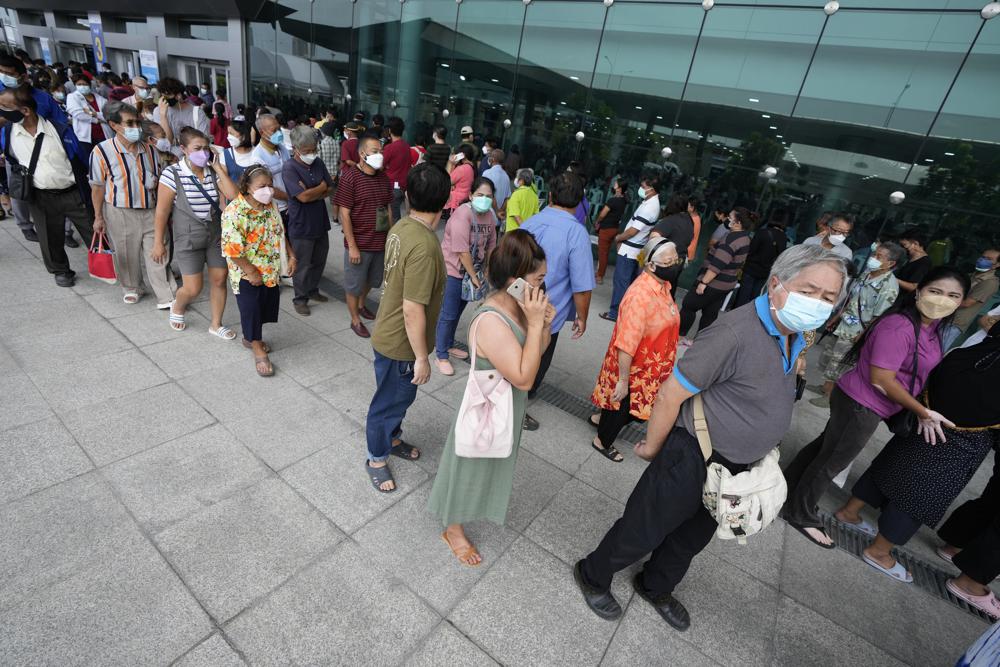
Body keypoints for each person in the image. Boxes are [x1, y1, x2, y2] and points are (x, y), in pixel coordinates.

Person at [574, 244, 848, 628]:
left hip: (737, 467)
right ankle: (593, 573)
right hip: (692, 453)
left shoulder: (797, 333)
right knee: (645, 526)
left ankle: (655, 585)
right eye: (808, 290)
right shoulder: (734, 333)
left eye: (828, 297)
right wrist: (653, 447)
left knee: (692, 537)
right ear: (776, 284)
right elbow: (671, 393)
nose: (818, 303)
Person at [783, 266, 971, 548]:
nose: (942, 299)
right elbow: (881, 379)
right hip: (861, 403)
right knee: (833, 460)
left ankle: (787, 488)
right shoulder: (899, 326)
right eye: (935, 291)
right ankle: (800, 513)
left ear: (962, 301)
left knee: (826, 447)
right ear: (918, 292)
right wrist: (922, 412)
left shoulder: (934, 328)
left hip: (869, 403)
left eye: (953, 295)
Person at [829, 321, 999, 586]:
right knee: (922, 494)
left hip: (930, 413)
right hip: (964, 437)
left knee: (892, 463)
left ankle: (849, 511)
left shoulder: (978, 350)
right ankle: (879, 551)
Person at [427, 230, 552, 565]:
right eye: (538, 279)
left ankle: (463, 515)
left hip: (504, 403)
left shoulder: (520, 308)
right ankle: (452, 529)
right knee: (468, 464)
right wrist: (536, 326)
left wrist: (541, 327)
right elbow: (525, 378)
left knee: (489, 462)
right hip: (487, 406)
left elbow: (534, 354)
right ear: (515, 281)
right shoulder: (492, 320)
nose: (542, 287)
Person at [364, 163, 450, 493]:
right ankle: (376, 457)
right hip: (401, 342)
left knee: (398, 398)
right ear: (445, 202)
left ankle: (392, 437)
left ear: (409, 196)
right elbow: (413, 308)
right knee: (389, 402)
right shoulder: (425, 247)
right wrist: (422, 357)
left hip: (391, 332)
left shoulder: (402, 226)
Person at [590, 238, 681, 463]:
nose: (674, 265)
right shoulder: (640, 296)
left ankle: (600, 419)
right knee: (624, 405)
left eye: (676, 260)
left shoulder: (662, 285)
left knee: (626, 406)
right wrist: (623, 380)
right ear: (651, 265)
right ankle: (602, 440)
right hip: (634, 368)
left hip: (651, 366)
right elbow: (626, 343)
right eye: (668, 262)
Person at [520, 171, 595, 430]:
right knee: (536, 363)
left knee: (513, 353)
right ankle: (517, 408)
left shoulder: (531, 222)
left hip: (517, 304)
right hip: (546, 316)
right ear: (580, 201)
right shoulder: (577, 233)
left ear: (550, 195)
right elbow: (582, 286)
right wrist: (582, 317)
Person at [150, 126, 238, 338]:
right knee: (193, 288)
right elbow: (162, 211)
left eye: (206, 148)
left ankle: (216, 324)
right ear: (183, 149)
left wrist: (218, 168)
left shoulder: (213, 170)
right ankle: (178, 306)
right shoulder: (172, 173)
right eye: (197, 148)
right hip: (187, 237)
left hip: (215, 235)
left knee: (220, 279)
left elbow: (233, 195)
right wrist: (158, 242)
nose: (203, 153)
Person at [0, 85, 93, 287]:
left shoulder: (60, 130)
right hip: (40, 195)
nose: (1, 112)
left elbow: (81, 160)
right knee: (49, 237)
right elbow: (11, 159)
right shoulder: (7, 133)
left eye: (4, 107)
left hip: (73, 193)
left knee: (92, 231)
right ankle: (61, 271)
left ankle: (106, 264)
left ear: (25, 110)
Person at [90, 101, 176, 306]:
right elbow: (97, 187)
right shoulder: (101, 151)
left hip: (151, 210)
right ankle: (132, 287)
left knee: (158, 250)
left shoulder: (150, 150)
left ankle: (166, 294)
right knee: (126, 252)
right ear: (114, 125)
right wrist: (98, 216)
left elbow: (159, 180)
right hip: (120, 211)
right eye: (129, 123)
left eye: (137, 122)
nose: (136, 127)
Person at [221, 165, 296, 375]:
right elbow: (232, 249)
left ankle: (250, 337)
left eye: (270, 185)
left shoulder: (270, 206)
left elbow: (280, 232)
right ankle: (257, 346)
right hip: (247, 272)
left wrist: (291, 255)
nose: (268, 190)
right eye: (262, 186)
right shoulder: (235, 212)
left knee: (263, 308)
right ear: (247, 186)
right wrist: (251, 272)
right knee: (251, 308)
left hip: (270, 268)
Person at [809, 242, 903, 407]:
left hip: (857, 330)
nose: (873, 258)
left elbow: (879, 316)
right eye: (874, 254)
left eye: (879, 256)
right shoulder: (867, 274)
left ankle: (830, 396)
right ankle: (824, 387)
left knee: (840, 363)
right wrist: (837, 317)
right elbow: (853, 299)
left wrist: (863, 335)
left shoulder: (889, 286)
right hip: (844, 324)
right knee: (829, 355)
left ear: (891, 263)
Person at [434, 177, 499, 375]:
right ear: (470, 195)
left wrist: (487, 269)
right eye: (480, 195)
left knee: (458, 310)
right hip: (454, 271)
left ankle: (448, 344)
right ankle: (441, 355)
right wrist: (474, 277)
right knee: (448, 313)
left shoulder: (490, 216)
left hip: (473, 272)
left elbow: (491, 244)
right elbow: (462, 251)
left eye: (489, 196)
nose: (484, 199)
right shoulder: (463, 215)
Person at [333, 134, 393, 338]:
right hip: (359, 243)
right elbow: (344, 213)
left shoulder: (383, 178)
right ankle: (355, 320)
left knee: (373, 280)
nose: (380, 155)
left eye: (381, 151)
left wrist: (391, 236)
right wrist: (352, 246)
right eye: (375, 151)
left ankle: (361, 304)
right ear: (361, 153)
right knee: (354, 284)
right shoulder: (350, 177)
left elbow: (388, 207)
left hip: (380, 242)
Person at [677, 207, 752, 344]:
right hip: (726, 284)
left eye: (730, 218)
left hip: (713, 283)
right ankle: (700, 343)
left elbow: (717, 265)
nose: (727, 219)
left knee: (689, 305)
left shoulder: (731, 239)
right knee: (710, 313)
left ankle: (679, 337)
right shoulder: (745, 238)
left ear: (738, 223)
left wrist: (703, 283)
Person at [282, 125, 335, 316]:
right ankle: (300, 298)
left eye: (314, 149)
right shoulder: (289, 168)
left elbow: (330, 187)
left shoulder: (318, 162)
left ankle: (313, 290)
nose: (311, 154)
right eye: (307, 151)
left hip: (320, 220)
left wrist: (312, 191)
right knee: (303, 263)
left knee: (319, 259)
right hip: (301, 222)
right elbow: (302, 198)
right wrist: (319, 188)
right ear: (295, 149)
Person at [601, 174, 661, 321]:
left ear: (652, 189)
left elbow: (633, 231)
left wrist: (618, 238)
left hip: (631, 249)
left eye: (643, 187)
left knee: (622, 281)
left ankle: (615, 313)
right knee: (628, 282)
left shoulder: (650, 207)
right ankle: (625, 312)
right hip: (636, 248)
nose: (641, 189)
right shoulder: (649, 203)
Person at [731, 208, 790, 308]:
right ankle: (749, 313)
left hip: (751, 269)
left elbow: (751, 250)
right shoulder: (783, 237)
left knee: (743, 294)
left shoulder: (762, 232)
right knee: (755, 295)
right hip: (765, 272)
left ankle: (738, 311)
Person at [943, 248, 999, 349]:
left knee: (934, 350)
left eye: (989, 259)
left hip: (955, 322)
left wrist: (941, 301)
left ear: (997, 264)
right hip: (945, 316)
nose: (983, 260)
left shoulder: (990, 282)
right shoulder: (972, 275)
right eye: (983, 257)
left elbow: (967, 303)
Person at [647, 194, 694, 298]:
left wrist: (645, 258)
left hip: (664, 262)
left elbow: (654, 237)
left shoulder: (671, 220)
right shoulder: (689, 220)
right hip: (679, 261)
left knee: (653, 291)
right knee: (669, 290)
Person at [152, 77, 209, 156]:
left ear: (178, 95)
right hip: (170, 159)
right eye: (162, 94)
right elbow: (167, 143)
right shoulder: (158, 111)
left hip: (193, 158)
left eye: (167, 95)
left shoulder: (197, 112)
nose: (163, 98)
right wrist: (163, 116)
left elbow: (204, 140)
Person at [250, 114, 290, 222]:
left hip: (291, 205)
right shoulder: (257, 157)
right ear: (262, 133)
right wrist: (290, 198)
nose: (279, 133)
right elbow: (265, 187)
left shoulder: (283, 148)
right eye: (274, 130)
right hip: (276, 209)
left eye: (279, 129)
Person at [65, 72, 109, 157]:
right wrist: (96, 120)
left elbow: (108, 116)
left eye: (84, 84)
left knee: (106, 158)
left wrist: (93, 113)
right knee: (91, 159)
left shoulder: (101, 99)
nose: (82, 86)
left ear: (89, 85)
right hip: (86, 138)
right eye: (79, 84)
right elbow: (78, 114)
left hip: (103, 135)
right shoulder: (72, 97)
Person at [593, 179, 627, 284]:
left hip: (606, 229)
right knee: (605, 252)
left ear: (619, 188)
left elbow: (603, 214)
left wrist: (597, 221)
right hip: (615, 228)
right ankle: (599, 272)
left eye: (616, 184)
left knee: (602, 253)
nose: (614, 184)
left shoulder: (612, 201)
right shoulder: (623, 200)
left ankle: (600, 276)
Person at [382, 116, 410, 222]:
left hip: (391, 185)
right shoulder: (406, 146)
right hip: (402, 186)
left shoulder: (389, 147)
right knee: (395, 214)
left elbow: (381, 166)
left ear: (390, 130)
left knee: (392, 217)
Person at [893, 228, 933, 299]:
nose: (902, 248)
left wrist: (891, 278)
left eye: (904, 245)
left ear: (915, 244)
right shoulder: (909, 257)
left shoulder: (924, 263)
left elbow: (914, 287)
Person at [445, 144, 476, 216]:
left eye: (457, 154)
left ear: (462, 155)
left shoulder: (462, 168)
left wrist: (450, 163)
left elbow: (447, 181)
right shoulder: (470, 166)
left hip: (456, 202)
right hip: (464, 199)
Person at [221, 116, 255, 181]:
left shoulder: (257, 152)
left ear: (244, 136)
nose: (229, 137)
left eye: (231, 134)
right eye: (228, 133)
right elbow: (223, 180)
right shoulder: (225, 155)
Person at [505, 168, 538, 233]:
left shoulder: (516, 195)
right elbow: (535, 216)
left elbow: (516, 216)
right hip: (527, 233)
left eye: (518, 178)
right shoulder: (535, 196)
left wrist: (524, 231)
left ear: (522, 181)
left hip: (514, 233)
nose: (517, 180)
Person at [482, 149, 512, 217]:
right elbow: (507, 199)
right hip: (499, 217)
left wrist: (496, 211)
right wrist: (500, 211)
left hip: (486, 214)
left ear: (492, 159)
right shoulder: (506, 176)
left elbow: (488, 194)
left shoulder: (487, 173)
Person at [686, 196, 702, 262]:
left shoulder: (691, 220)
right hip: (691, 250)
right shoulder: (697, 217)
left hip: (687, 251)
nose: (686, 207)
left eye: (688, 205)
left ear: (692, 208)